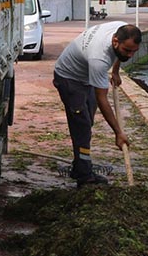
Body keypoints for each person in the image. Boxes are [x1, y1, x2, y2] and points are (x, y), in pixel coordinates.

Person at [52, 22, 142, 186]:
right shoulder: (99, 58)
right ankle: (84, 176)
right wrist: (118, 132)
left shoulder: (123, 29)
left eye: (134, 52)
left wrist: (115, 71)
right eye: (127, 51)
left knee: (87, 122)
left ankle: (79, 165)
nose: (130, 56)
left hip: (86, 77)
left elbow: (119, 54)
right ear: (115, 41)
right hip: (69, 78)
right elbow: (102, 99)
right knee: (82, 125)